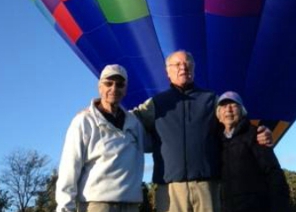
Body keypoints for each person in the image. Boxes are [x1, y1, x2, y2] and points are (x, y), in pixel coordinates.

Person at [133, 50, 272, 212]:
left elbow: (236, 122)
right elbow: (128, 120)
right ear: (167, 72)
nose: (183, 68)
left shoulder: (211, 99)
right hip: (170, 188)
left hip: (207, 186)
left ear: (194, 69)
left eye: (188, 64)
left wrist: (259, 132)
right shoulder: (156, 103)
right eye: (177, 64)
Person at [56, 64, 150, 212]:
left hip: (131, 206)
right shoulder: (84, 121)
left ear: (125, 89)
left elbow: (155, 144)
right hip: (97, 205)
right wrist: (65, 207)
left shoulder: (134, 123)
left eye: (120, 85)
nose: (114, 89)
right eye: (108, 83)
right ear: (100, 86)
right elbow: (70, 167)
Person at [216, 91, 291, 212]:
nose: (228, 110)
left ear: (242, 111)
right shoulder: (216, 142)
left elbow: (273, 172)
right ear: (218, 116)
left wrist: (280, 206)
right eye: (224, 106)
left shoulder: (255, 135)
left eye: (233, 105)